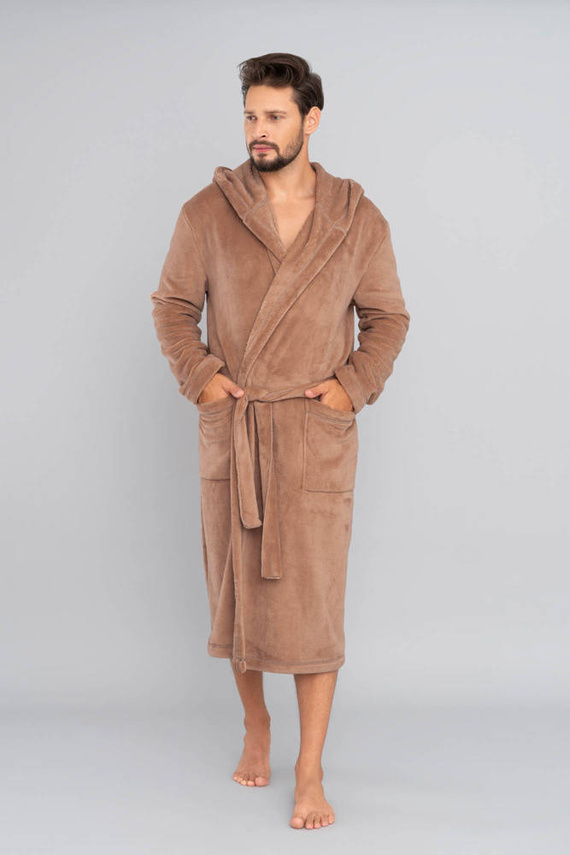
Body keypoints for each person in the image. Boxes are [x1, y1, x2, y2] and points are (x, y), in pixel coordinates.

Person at [150, 52, 410, 831]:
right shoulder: (207, 212)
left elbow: (388, 319)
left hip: (313, 435)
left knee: (313, 604)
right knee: (239, 596)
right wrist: (201, 377)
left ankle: (310, 768)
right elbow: (172, 307)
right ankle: (256, 722)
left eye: (274, 116)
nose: (258, 131)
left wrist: (351, 387)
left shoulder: (355, 218)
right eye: (250, 116)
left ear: (311, 120)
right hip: (239, 429)